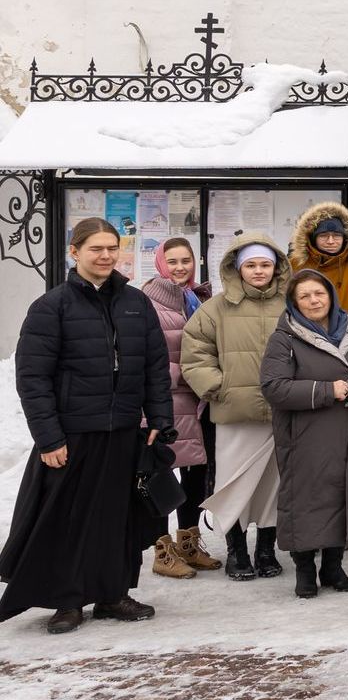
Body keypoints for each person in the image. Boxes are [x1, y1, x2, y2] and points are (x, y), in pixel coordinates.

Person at [1, 217, 172, 633]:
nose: (106, 255)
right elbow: (33, 378)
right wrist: (49, 437)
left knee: (118, 518)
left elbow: (155, 366)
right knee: (68, 519)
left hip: (124, 430)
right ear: (74, 252)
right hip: (73, 432)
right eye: (96, 248)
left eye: (112, 248)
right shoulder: (52, 306)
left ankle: (113, 594)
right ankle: (69, 600)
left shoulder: (136, 303)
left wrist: (160, 418)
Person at [260, 269, 348, 598]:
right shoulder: (285, 337)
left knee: (342, 495)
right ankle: (304, 570)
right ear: (294, 302)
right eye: (305, 296)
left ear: (330, 295)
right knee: (304, 499)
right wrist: (327, 390)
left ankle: (333, 566)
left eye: (319, 293)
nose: (314, 300)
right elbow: (274, 388)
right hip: (304, 436)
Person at [181, 234, 292, 582]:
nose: (259, 271)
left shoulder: (291, 305)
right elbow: (194, 351)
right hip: (233, 412)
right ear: (238, 268)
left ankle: (266, 551)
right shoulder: (215, 307)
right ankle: (237, 551)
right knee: (234, 484)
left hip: (282, 412)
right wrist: (217, 386)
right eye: (251, 265)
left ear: (276, 268)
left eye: (265, 264)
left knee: (274, 485)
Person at [139, 238, 217, 578]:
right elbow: (141, 358)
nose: (180, 267)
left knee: (197, 473)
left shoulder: (200, 298)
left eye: (186, 260)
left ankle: (189, 542)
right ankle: (162, 549)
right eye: (172, 261)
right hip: (164, 401)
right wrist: (190, 373)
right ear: (159, 263)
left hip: (198, 402)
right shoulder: (145, 302)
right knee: (160, 474)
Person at [288, 203, 348, 343]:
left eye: (336, 235)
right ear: (313, 237)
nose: (331, 241)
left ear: (345, 237)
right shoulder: (295, 266)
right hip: (303, 345)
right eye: (324, 235)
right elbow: (286, 309)